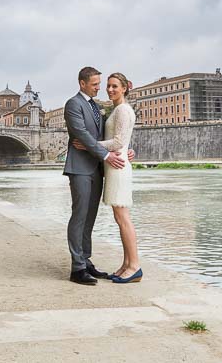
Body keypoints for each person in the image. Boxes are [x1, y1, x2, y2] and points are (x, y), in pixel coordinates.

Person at [62, 66, 135, 285]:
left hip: (97, 168)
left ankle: (85, 260)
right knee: (79, 215)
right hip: (80, 168)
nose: (99, 88)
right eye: (95, 84)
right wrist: (106, 155)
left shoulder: (95, 106)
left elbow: (114, 134)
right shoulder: (73, 104)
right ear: (82, 83)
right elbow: (81, 134)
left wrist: (126, 150)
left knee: (90, 217)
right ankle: (77, 268)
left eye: (99, 84)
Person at [95, 72, 141, 283]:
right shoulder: (118, 109)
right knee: (120, 218)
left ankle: (134, 266)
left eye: (115, 86)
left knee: (123, 218)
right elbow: (123, 141)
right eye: (109, 86)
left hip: (118, 166)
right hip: (116, 165)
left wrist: (90, 145)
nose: (110, 89)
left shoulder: (123, 109)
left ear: (124, 88)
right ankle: (126, 264)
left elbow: (118, 142)